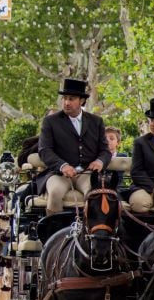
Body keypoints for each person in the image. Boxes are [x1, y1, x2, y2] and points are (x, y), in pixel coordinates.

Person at [38, 78, 111, 215]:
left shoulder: (96, 122)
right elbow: (44, 150)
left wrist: (99, 161)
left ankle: (90, 232)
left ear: (82, 101)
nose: (66, 102)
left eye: (71, 99)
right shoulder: (50, 122)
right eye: (64, 98)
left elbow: (105, 151)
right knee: (55, 192)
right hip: (59, 174)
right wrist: (62, 165)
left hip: (87, 173)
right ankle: (55, 232)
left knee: (95, 192)